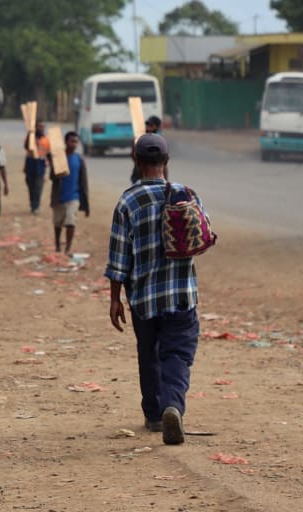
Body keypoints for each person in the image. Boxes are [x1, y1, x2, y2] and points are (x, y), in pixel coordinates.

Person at [105, 133, 206, 445]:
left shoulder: (127, 202)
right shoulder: (185, 194)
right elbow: (203, 237)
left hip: (144, 297)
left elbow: (119, 256)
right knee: (177, 353)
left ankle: (152, 414)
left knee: (148, 353)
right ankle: (172, 405)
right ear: (166, 162)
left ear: (136, 161)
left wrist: (115, 299)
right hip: (181, 294)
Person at [49, 131, 89, 254]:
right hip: (59, 197)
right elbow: (51, 176)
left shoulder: (79, 159)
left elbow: (84, 182)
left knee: (71, 222)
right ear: (66, 142)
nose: (74, 144)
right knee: (58, 223)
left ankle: (67, 249)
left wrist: (86, 204)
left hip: (74, 197)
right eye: (72, 141)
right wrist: (57, 171)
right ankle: (57, 246)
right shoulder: (59, 158)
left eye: (76, 142)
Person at [23, 120, 51, 215]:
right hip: (30, 164)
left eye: (43, 126)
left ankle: (36, 206)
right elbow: (26, 146)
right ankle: (33, 203)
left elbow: (48, 153)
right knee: (31, 186)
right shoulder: (30, 138)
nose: (41, 128)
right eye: (39, 126)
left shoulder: (46, 140)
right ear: (36, 127)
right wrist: (30, 134)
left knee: (38, 187)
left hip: (40, 165)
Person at [130, 116, 162, 183]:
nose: (147, 126)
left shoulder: (159, 142)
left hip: (156, 176)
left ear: (156, 127)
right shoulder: (140, 138)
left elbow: (164, 162)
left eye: (150, 125)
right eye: (147, 124)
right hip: (139, 175)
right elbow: (133, 155)